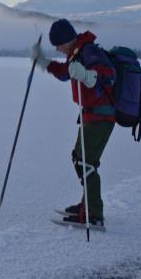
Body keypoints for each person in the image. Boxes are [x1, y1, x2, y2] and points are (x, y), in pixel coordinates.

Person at [31, 19, 116, 226]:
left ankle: (93, 213)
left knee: (85, 162)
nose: (58, 49)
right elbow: (66, 74)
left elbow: (108, 75)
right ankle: (88, 204)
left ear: (67, 39)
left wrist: (88, 75)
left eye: (58, 44)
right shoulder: (76, 53)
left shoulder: (88, 51)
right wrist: (44, 62)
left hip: (100, 116)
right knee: (79, 158)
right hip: (90, 116)